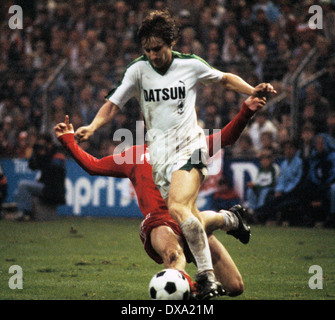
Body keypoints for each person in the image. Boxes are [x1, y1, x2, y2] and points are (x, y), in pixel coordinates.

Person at [74, 9, 276, 299]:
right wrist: (92, 126)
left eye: (158, 48)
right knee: (198, 232)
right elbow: (113, 103)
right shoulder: (137, 71)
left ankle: (205, 277)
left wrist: (250, 91)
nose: (153, 55)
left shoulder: (189, 65)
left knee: (178, 210)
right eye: (148, 50)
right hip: (162, 159)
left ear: (171, 42)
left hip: (192, 149)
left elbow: (224, 79)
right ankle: (229, 220)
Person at [56, 95, 266, 299]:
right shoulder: (134, 155)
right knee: (173, 255)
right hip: (159, 222)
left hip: (190, 221)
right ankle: (222, 228)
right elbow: (94, 166)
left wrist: (246, 111)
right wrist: (68, 141)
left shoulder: (191, 149)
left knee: (235, 287)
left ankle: (225, 222)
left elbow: (227, 137)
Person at [14, 133, 66, 221]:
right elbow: (32, 166)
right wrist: (35, 153)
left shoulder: (58, 152)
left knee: (22, 185)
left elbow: (53, 169)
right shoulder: (42, 153)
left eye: (43, 144)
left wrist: (44, 155)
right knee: (17, 193)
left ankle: (27, 213)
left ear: (49, 144)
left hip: (53, 188)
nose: (42, 147)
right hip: (44, 185)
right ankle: (24, 212)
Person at [255, 139, 305, 225]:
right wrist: (279, 190)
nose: (288, 151)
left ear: (295, 150)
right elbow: (281, 179)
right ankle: (261, 214)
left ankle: (259, 214)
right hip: (283, 192)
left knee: (276, 201)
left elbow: (298, 180)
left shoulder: (299, 163)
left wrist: (286, 191)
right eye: (286, 149)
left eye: (290, 148)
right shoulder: (284, 164)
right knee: (273, 197)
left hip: (294, 191)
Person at [245, 148, 279, 215]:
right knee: (250, 190)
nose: (265, 161)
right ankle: (252, 209)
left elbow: (272, 183)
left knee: (264, 191)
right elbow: (258, 181)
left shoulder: (274, 168)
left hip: (271, 188)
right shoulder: (261, 170)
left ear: (271, 160)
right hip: (261, 188)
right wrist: (253, 185)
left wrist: (257, 185)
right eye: (263, 159)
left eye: (267, 159)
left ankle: (259, 209)